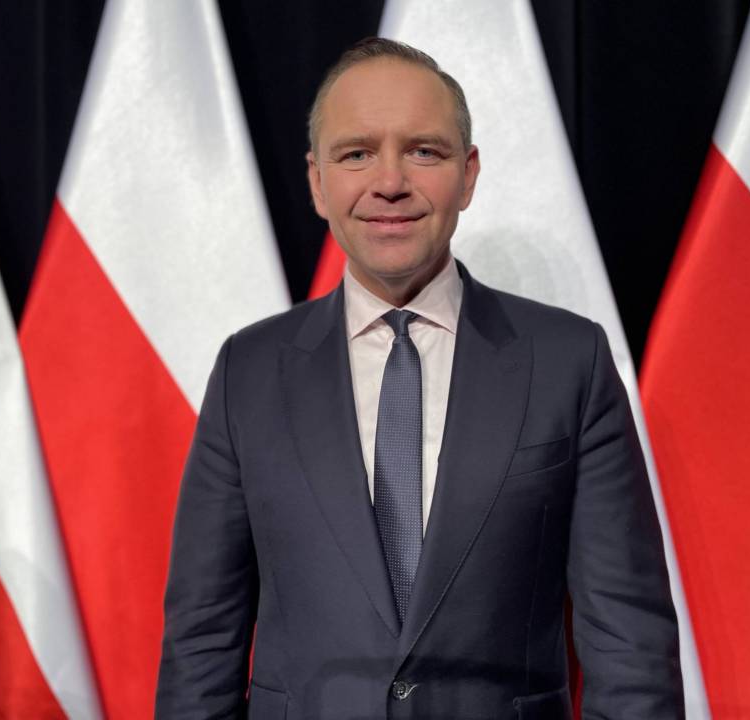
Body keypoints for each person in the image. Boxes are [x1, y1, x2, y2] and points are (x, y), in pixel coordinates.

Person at [156, 38, 683, 719]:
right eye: (356, 154)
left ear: (468, 174)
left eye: (424, 151)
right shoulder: (247, 372)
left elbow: (629, 640)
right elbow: (203, 639)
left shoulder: (568, 362)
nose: (389, 182)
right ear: (317, 182)